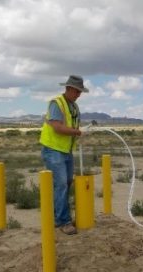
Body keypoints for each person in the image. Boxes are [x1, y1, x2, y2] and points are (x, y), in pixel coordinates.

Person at [39, 75, 89, 235]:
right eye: (77, 91)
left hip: (66, 150)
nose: (79, 94)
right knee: (61, 184)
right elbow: (57, 127)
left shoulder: (74, 106)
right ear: (68, 89)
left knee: (66, 183)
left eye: (80, 92)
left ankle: (60, 217)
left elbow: (71, 127)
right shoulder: (57, 103)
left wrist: (78, 135)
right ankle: (63, 221)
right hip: (53, 150)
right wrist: (79, 132)